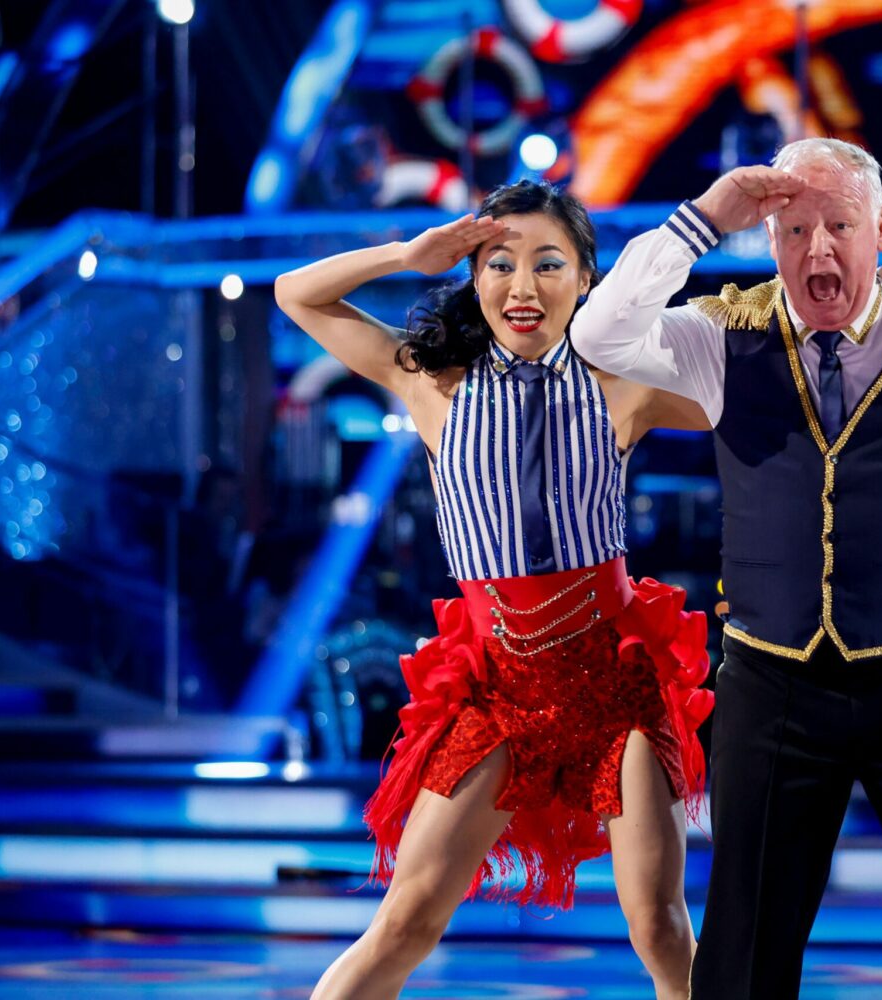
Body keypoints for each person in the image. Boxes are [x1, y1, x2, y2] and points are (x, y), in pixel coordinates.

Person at [571, 139, 882, 998]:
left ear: (880, 229)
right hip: (772, 687)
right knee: (746, 944)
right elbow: (599, 330)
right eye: (795, 227)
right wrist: (703, 220)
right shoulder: (719, 338)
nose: (819, 250)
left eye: (840, 224)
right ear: (767, 237)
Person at [274, 180, 716, 1000]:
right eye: (499, 263)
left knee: (659, 926)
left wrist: (871, 308)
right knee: (405, 922)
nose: (522, 286)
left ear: (587, 279)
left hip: (614, 687)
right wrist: (407, 255)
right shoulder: (429, 383)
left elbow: (769, 393)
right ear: (474, 278)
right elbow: (294, 293)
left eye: (549, 263)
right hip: (497, 692)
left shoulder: (626, 383)